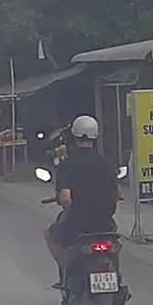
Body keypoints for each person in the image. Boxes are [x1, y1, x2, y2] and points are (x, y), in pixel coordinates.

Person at [43, 115, 119, 289]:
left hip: (78, 224)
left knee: (50, 235)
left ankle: (65, 272)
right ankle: (116, 275)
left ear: (74, 137)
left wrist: (69, 205)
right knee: (115, 244)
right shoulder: (107, 162)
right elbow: (117, 193)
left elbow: (65, 198)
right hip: (105, 223)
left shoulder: (67, 164)